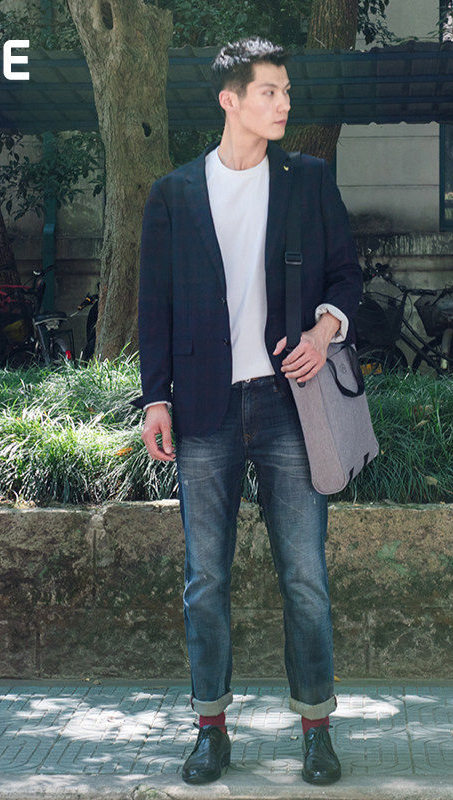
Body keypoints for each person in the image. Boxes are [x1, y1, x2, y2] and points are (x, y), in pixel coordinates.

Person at [133, 36, 362, 786]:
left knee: (305, 577)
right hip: (203, 410)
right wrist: (156, 398)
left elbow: (347, 275)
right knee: (206, 580)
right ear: (230, 100)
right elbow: (154, 306)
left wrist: (323, 332)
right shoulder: (174, 194)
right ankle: (210, 730)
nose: (284, 103)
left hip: (290, 406)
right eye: (271, 91)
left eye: (287, 91)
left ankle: (317, 730)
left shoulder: (308, 180)